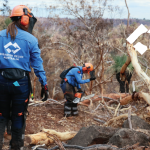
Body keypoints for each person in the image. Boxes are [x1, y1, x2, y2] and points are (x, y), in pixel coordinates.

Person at [0, 5, 49, 150]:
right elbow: (38, 65)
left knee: (1, 115)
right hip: (20, 84)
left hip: (1, 81)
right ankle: (16, 146)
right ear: (25, 19)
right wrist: (44, 85)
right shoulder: (31, 40)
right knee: (18, 116)